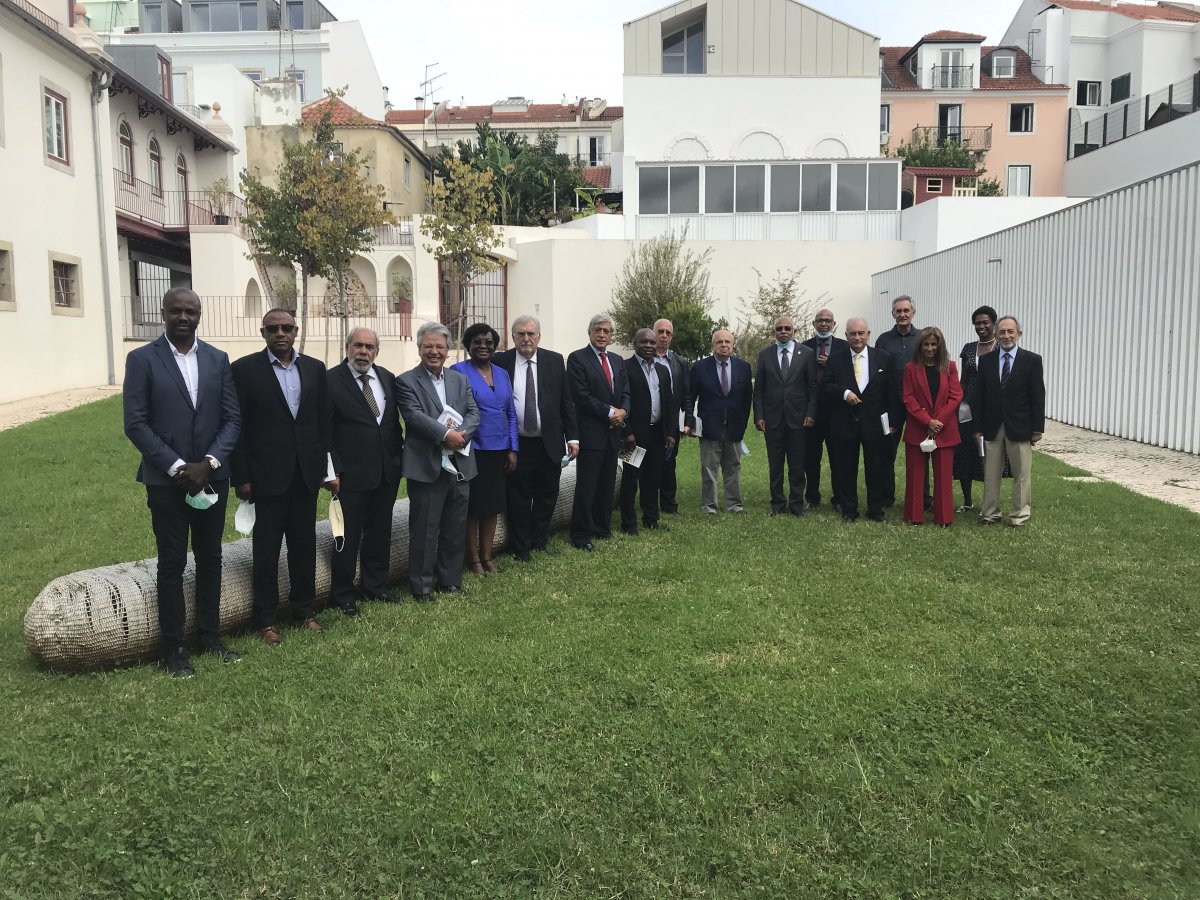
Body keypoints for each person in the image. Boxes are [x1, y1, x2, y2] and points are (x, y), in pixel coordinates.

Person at [123, 288, 241, 677]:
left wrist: (208, 463)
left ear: (200, 315)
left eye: (191, 311)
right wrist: (177, 467)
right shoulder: (142, 360)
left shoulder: (217, 359)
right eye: (176, 311)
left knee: (210, 557)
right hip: (166, 481)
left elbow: (231, 420)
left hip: (212, 476)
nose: (184, 317)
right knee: (171, 563)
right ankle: (174, 647)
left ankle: (209, 636)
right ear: (164, 313)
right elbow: (136, 423)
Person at [231, 308, 337, 645]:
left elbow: (323, 424)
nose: (281, 334)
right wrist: (241, 476)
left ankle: (304, 610)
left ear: (296, 331)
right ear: (263, 332)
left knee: (303, 546)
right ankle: (265, 618)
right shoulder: (244, 370)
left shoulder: (315, 369)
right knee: (266, 550)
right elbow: (238, 427)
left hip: (305, 475)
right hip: (265, 477)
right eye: (273, 329)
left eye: (287, 328)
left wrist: (325, 470)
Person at [396, 323, 480, 599]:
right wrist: (445, 435)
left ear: (448, 350)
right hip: (427, 466)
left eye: (440, 347)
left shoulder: (460, 379)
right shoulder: (406, 381)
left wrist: (461, 436)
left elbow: (473, 413)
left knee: (455, 527)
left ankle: (451, 581)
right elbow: (413, 415)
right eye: (428, 346)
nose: (434, 351)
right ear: (419, 349)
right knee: (425, 530)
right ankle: (421, 587)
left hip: (460, 465)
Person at [327, 327, 404, 616]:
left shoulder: (386, 378)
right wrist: (331, 471)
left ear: (376, 352)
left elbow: (391, 425)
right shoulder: (331, 381)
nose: (363, 351)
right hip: (349, 474)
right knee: (346, 536)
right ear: (347, 347)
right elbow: (326, 431)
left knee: (380, 531)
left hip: (386, 471)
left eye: (369, 347)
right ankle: (344, 594)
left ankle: (375, 586)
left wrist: (397, 459)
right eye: (358, 345)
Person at [494, 315, 579, 563]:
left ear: (539, 337)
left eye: (531, 334)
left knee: (547, 494)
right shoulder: (501, 362)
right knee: (518, 497)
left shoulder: (554, 361)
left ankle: (539, 540)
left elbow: (566, 402)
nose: (526, 339)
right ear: (513, 337)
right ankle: (520, 547)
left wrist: (573, 437)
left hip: (549, 442)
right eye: (520, 334)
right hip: (517, 444)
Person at [451, 322, 518, 575]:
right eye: (477, 341)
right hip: (471, 448)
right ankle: (473, 559)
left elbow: (511, 413)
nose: (483, 346)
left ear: (495, 346)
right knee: (473, 507)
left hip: (498, 448)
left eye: (488, 342)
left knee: (492, 505)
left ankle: (487, 556)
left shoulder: (502, 374)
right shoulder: (458, 371)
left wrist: (513, 448)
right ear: (468, 345)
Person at [823, 318, 902, 523]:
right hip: (844, 423)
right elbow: (826, 386)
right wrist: (844, 392)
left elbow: (893, 392)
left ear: (868, 334)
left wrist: (894, 422)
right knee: (845, 469)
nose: (857, 338)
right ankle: (849, 510)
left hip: (875, 424)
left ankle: (876, 510)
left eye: (861, 333)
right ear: (846, 335)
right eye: (852, 334)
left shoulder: (884, 358)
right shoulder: (835, 359)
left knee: (876, 469)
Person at [566, 315, 631, 551]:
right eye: (598, 330)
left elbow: (626, 391)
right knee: (587, 486)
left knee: (607, 483)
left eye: (606, 331)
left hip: (613, 433)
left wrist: (624, 410)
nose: (602, 334)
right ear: (589, 332)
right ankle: (581, 535)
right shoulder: (577, 359)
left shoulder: (617, 360)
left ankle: (602, 528)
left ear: (611, 335)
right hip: (591, 433)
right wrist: (610, 411)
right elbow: (581, 397)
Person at [975, 316, 1045, 527]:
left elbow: (1038, 396)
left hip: (1021, 426)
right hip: (992, 426)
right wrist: (977, 428)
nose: (1006, 336)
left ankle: (1019, 515)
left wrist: (1037, 428)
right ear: (996, 335)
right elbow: (980, 397)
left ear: (1019, 334)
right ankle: (989, 514)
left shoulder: (1032, 360)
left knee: (1021, 474)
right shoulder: (986, 361)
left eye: (1010, 332)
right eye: (1002, 332)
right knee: (991, 473)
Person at [753, 316, 819, 516]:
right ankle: (777, 504)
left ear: (794, 331)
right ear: (774, 333)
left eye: (787, 328)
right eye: (779, 328)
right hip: (772, 419)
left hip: (798, 419)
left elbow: (812, 388)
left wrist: (810, 413)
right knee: (775, 465)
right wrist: (759, 415)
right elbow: (759, 390)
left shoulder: (806, 354)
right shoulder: (765, 355)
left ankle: (797, 505)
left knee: (797, 465)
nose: (783, 331)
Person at [902, 326, 963, 526]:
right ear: (920, 346)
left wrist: (938, 421)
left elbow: (956, 396)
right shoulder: (911, 368)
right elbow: (908, 398)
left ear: (940, 346)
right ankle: (914, 515)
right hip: (918, 427)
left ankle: (944, 517)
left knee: (944, 476)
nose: (929, 348)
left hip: (944, 428)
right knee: (915, 474)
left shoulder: (950, 366)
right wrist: (927, 421)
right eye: (926, 344)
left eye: (933, 344)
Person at [620, 328, 677, 534]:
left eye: (652, 343)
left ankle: (651, 519)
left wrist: (670, 432)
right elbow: (620, 402)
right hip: (633, 437)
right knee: (630, 480)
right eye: (644, 342)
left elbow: (669, 404)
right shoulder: (625, 367)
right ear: (635, 343)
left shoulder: (662, 370)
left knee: (653, 479)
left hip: (657, 434)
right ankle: (629, 524)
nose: (649, 346)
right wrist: (627, 432)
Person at [690, 328, 753, 514]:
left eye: (727, 342)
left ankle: (735, 505)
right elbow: (690, 397)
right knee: (709, 468)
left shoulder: (744, 367)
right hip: (709, 426)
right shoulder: (700, 367)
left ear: (733, 346)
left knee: (733, 467)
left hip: (734, 426)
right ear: (713, 346)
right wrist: (690, 423)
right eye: (720, 342)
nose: (724, 345)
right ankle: (709, 506)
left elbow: (746, 400)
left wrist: (742, 424)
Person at [875, 294, 927, 509]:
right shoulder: (883, 340)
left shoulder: (925, 337)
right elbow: (878, 373)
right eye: (898, 311)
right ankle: (886, 497)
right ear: (893, 314)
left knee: (922, 451)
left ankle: (924, 498)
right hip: (891, 404)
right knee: (887, 452)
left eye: (906, 310)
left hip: (919, 404)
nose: (903, 314)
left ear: (913, 312)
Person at [955, 305, 1004, 512]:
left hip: (991, 408)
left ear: (994, 324)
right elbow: (963, 381)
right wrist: (958, 403)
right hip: (967, 408)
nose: (982, 326)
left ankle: (990, 502)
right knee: (965, 453)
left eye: (986, 322)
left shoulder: (1001, 348)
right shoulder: (968, 348)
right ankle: (967, 501)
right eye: (978, 323)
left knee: (989, 456)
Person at [800, 308, 848, 510]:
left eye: (828, 321)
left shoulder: (844, 348)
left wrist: (832, 363)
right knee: (811, 458)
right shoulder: (804, 348)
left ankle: (838, 498)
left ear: (834, 324)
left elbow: (849, 376)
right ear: (813, 324)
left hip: (836, 410)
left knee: (838, 457)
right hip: (811, 410)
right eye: (820, 321)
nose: (824, 324)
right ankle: (812, 497)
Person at [652, 318, 694, 514]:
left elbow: (687, 394)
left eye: (668, 333)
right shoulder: (643, 357)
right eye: (660, 331)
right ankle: (636, 502)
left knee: (669, 462)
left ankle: (669, 504)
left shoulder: (680, 362)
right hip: (645, 422)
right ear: (654, 334)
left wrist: (688, 421)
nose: (664, 336)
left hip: (670, 423)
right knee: (635, 461)